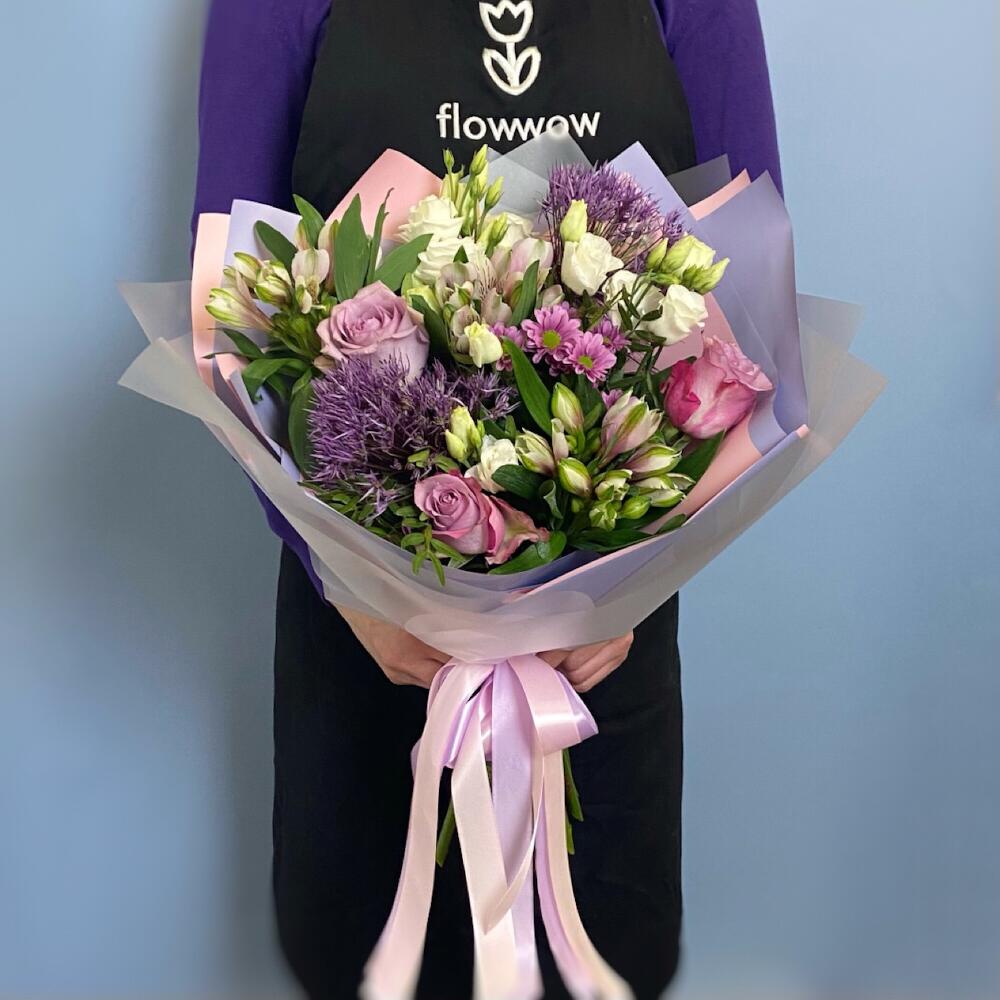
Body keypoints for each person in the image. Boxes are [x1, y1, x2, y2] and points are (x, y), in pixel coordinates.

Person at [193, 2, 781, 997]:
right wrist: (352, 589)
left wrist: (621, 593)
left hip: (599, 666)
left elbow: (747, 276)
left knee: (595, 959)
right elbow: (229, 303)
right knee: (372, 960)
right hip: (366, 653)